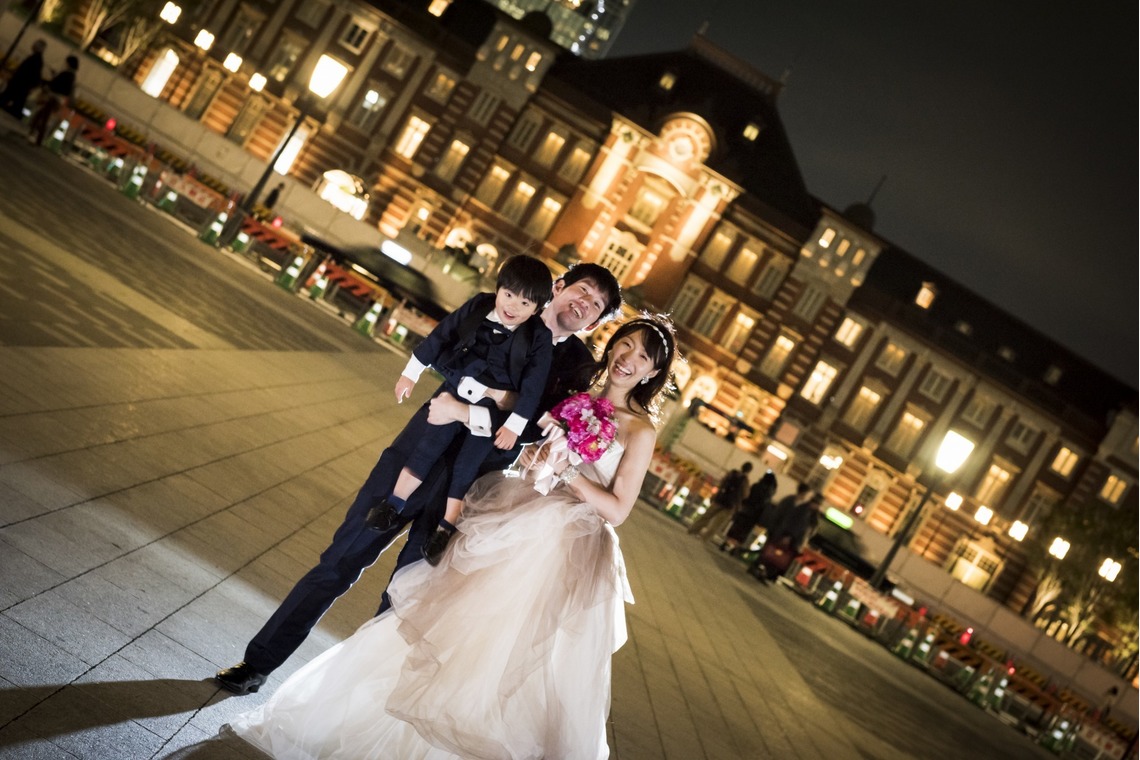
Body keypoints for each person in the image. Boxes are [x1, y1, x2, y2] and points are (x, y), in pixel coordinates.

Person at [226, 316, 678, 759]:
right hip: (509, 509)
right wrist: (540, 460)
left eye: (643, 357)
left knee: (502, 649)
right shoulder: (574, 396)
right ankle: (304, 687)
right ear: (611, 344)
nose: (629, 359)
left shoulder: (640, 430)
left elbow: (617, 510)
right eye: (626, 345)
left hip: (559, 547)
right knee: (424, 610)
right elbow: (529, 450)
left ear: (652, 372)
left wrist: (567, 473)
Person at [214, 262, 622, 696]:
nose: (585, 304)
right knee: (339, 559)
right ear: (557, 287)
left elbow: (538, 426)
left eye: (596, 305)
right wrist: (502, 399)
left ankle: (346, 701)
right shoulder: (492, 309)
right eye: (582, 290)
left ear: (595, 322)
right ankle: (258, 662)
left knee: (403, 598)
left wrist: (473, 407)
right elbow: (449, 357)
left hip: (469, 487)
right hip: (415, 456)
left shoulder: (578, 367)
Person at [364, 254, 555, 565]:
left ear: (537, 309)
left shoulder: (539, 337)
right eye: (509, 295)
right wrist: (411, 373)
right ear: (498, 288)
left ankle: (445, 527)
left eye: (525, 303)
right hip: (458, 387)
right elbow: (442, 334)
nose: (513, 306)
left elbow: (533, 386)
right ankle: (393, 503)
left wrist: (514, 425)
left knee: (467, 466)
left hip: (492, 409)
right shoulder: (480, 305)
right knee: (427, 447)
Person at [751, 486, 820, 581]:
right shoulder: (797, 505)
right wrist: (785, 533)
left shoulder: (810, 512)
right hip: (784, 534)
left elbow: (811, 528)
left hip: (794, 539)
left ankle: (768, 574)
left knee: (780, 558)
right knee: (771, 553)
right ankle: (761, 569)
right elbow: (789, 520)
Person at [687, 461, 752, 539]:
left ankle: (693, 530)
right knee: (717, 524)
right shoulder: (745, 481)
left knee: (706, 516)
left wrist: (716, 494)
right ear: (749, 471)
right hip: (730, 505)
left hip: (720, 498)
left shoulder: (732, 473)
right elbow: (745, 494)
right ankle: (705, 538)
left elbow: (722, 483)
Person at [721, 469, 777, 554]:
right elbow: (764, 504)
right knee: (744, 532)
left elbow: (747, 496)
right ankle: (735, 548)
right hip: (754, 516)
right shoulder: (768, 493)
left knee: (736, 528)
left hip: (745, 510)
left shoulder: (756, 485)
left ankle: (726, 543)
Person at [28, 54, 77, 146]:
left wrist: (51, 81)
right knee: (41, 116)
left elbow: (57, 85)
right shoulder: (72, 76)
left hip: (53, 98)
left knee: (42, 118)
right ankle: (35, 136)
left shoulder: (67, 74)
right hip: (57, 99)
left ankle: (37, 138)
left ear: (69, 63)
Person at [0, 39, 44, 118]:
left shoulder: (35, 59)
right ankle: (14, 110)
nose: (33, 46)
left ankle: (13, 109)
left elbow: (25, 71)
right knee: (17, 98)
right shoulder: (37, 59)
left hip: (21, 82)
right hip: (23, 83)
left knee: (11, 95)